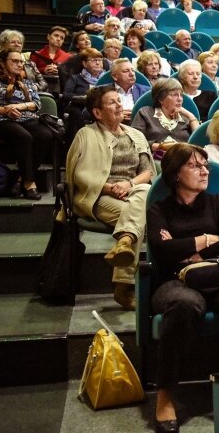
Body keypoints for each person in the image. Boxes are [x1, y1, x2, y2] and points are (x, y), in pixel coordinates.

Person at [147, 143, 219, 433]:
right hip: (173, 280)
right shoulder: (159, 208)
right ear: (176, 174)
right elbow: (162, 251)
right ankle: (165, 395)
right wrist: (206, 239)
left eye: (205, 166)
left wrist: (185, 246)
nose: (204, 171)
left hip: (217, 276)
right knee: (183, 305)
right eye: (195, 166)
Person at [66, 85, 155, 310]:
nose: (119, 105)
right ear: (97, 112)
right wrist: (110, 188)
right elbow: (79, 174)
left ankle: (124, 246)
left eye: (119, 100)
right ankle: (124, 286)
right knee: (138, 214)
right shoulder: (86, 134)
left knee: (143, 193)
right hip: (97, 195)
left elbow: (147, 172)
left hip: (132, 191)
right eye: (112, 102)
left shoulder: (136, 134)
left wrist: (129, 184)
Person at [0, 49, 54, 200]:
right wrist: (5, 110)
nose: (19, 64)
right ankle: (29, 183)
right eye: (14, 61)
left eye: (21, 61)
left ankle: (20, 178)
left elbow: (37, 104)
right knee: (24, 137)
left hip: (26, 116)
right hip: (0, 119)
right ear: (2, 63)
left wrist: (20, 106)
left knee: (46, 134)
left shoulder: (27, 82)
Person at [131, 78, 200, 159]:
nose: (180, 99)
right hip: (153, 159)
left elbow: (198, 142)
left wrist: (190, 116)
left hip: (183, 160)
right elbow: (134, 140)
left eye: (181, 95)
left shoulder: (186, 118)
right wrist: (158, 146)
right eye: (174, 95)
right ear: (161, 99)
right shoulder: (146, 112)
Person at [63, 48, 106, 143]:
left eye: (100, 60)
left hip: (102, 107)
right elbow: (67, 95)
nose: (98, 63)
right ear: (85, 64)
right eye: (94, 60)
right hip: (80, 107)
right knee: (76, 114)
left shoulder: (107, 79)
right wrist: (86, 98)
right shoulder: (76, 78)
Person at [30, 26, 70, 94]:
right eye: (56, 35)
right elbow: (29, 73)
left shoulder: (68, 57)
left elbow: (72, 75)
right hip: (39, 89)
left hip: (61, 90)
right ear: (48, 36)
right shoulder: (36, 55)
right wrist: (44, 70)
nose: (58, 39)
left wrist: (60, 71)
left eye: (62, 38)